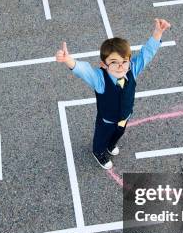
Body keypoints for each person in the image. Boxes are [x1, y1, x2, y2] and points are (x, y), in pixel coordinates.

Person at [55, 18, 172, 169]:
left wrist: (157, 33)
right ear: (103, 64)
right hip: (107, 121)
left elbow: (146, 54)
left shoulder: (132, 70)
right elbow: (84, 70)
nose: (120, 66)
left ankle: (111, 146)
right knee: (100, 139)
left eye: (124, 61)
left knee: (119, 133)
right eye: (114, 62)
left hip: (125, 117)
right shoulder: (100, 79)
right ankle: (99, 153)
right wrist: (68, 60)